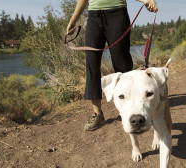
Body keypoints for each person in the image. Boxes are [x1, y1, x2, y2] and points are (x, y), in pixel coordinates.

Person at [67, 0, 158, 131]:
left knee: (122, 63)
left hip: (117, 14)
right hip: (93, 17)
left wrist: (146, 0)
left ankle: (130, 110)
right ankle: (97, 114)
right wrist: (73, 20)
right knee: (91, 65)